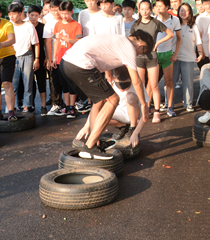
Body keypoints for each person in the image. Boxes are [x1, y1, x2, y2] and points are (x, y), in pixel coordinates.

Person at [64, 31, 154, 159]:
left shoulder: (117, 40)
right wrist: (144, 105)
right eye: (141, 53)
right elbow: (136, 80)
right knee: (113, 99)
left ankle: (95, 142)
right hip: (81, 64)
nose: (138, 55)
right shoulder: (128, 46)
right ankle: (90, 147)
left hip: (67, 63)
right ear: (140, 45)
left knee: (98, 101)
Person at [131, 0, 174, 123]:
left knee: (154, 85)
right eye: (142, 9)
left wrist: (158, 43)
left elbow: (170, 34)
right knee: (139, 85)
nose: (145, 11)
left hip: (152, 58)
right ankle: (142, 109)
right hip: (139, 58)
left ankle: (156, 112)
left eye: (147, 9)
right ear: (138, 10)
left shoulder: (156, 23)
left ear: (151, 10)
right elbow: (131, 39)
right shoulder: (135, 24)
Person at [8, 2, 40, 114]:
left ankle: (27, 105)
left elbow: (36, 43)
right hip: (12, 57)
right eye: (10, 14)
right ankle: (14, 105)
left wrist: (37, 59)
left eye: (14, 14)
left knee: (28, 82)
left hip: (27, 55)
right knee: (13, 83)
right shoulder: (8, 25)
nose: (11, 16)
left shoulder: (29, 26)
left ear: (21, 13)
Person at [53, 1, 82, 118]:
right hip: (60, 59)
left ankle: (72, 107)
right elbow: (56, 42)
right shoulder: (57, 24)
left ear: (72, 12)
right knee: (63, 84)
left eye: (67, 13)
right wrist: (54, 57)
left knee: (72, 84)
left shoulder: (76, 25)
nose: (64, 16)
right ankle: (66, 105)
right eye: (62, 13)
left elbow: (79, 41)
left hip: (71, 58)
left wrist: (65, 38)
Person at [173, 3, 203, 113]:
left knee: (188, 83)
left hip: (189, 58)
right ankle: (168, 104)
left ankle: (188, 104)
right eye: (181, 10)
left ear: (190, 13)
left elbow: (199, 42)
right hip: (174, 58)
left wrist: (200, 53)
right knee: (171, 82)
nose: (183, 13)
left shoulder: (194, 26)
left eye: (186, 11)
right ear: (178, 12)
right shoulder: (174, 24)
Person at [154, 0, 181, 117]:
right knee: (152, 83)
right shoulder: (152, 19)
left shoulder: (175, 20)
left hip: (168, 54)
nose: (158, 8)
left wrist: (175, 54)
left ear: (166, 7)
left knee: (168, 81)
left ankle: (170, 107)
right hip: (154, 55)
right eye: (156, 6)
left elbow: (179, 38)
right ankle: (152, 108)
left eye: (160, 6)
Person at [105, 66, 148, 141]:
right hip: (121, 113)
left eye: (125, 85)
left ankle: (132, 128)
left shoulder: (138, 85)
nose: (122, 89)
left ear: (131, 78)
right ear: (114, 78)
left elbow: (146, 115)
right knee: (99, 113)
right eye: (119, 85)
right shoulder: (111, 83)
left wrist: (135, 133)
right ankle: (122, 126)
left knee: (130, 96)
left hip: (135, 115)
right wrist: (86, 127)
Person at [43, 0, 64, 115]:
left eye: (58, 9)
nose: (56, 12)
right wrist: (49, 58)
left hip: (67, 56)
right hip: (54, 57)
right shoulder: (49, 24)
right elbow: (47, 42)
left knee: (68, 80)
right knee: (54, 80)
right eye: (54, 9)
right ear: (50, 9)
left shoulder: (68, 22)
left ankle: (72, 103)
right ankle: (56, 103)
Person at [27, 5, 47, 114]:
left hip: (41, 57)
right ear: (27, 14)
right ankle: (30, 104)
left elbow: (46, 44)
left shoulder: (43, 27)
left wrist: (46, 57)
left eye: (36, 15)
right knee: (29, 83)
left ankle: (43, 106)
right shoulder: (25, 26)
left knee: (41, 81)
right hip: (28, 57)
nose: (34, 17)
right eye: (32, 15)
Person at [195, 0, 210, 71]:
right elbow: (198, 36)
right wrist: (201, 52)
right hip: (205, 50)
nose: (208, 6)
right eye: (206, 4)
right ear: (203, 5)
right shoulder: (200, 18)